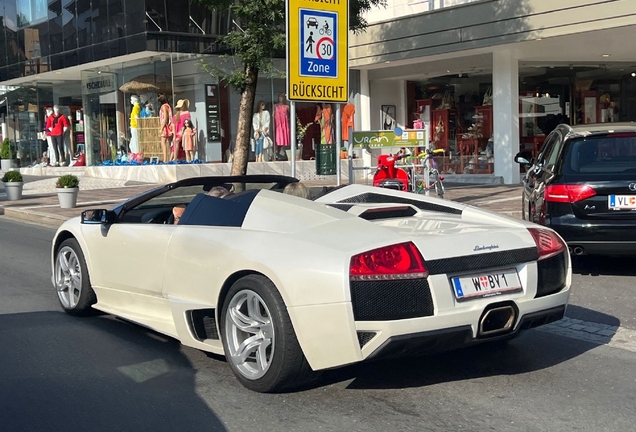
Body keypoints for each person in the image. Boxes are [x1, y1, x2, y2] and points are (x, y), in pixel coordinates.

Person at [274, 93, 290, 159]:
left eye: (281, 97)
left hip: (284, 125)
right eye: (279, 97)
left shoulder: (287, 107)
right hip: (278, 125)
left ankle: (285, 154)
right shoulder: (275, 106)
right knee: (278, 139)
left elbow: (290, 115)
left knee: (285, 138)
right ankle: (277, 153)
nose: (280, 98)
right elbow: (273, 115)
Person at [158, 94, 172, 162]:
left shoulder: (163, 106)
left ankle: (165, 159)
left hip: (165, 126)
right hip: (168, 126)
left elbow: (165, 117)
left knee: (163, 142)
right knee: (168, 143)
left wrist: (161, 128)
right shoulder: (168, 106)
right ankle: (169, 158)